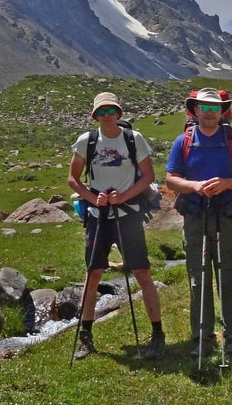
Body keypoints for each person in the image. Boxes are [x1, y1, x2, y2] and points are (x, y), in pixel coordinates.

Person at [67, 92, 165, 360]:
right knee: (93, 274)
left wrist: (124, 196)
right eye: (102, 112)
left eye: (111, 111)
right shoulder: (86, 141)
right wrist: (91, 198)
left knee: (142, 273)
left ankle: (157, 335)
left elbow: (149, 176)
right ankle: (85, 336)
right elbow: (73, 179)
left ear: (119, 114)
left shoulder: (134, 140)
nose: (107, 116)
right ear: (95, 116)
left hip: (128, 214)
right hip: (98, 216)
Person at [165, 87, 232, 359]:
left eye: (214, 107)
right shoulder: (183, 141)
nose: (209, 112)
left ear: (222, 111)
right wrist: (195, 186)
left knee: (229, 275)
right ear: (194, 110)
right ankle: (203, 338)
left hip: (225, 215)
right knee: (198, 276)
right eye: (204, 107)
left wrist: (226, 184)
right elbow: (171, 179)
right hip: (195, 214)